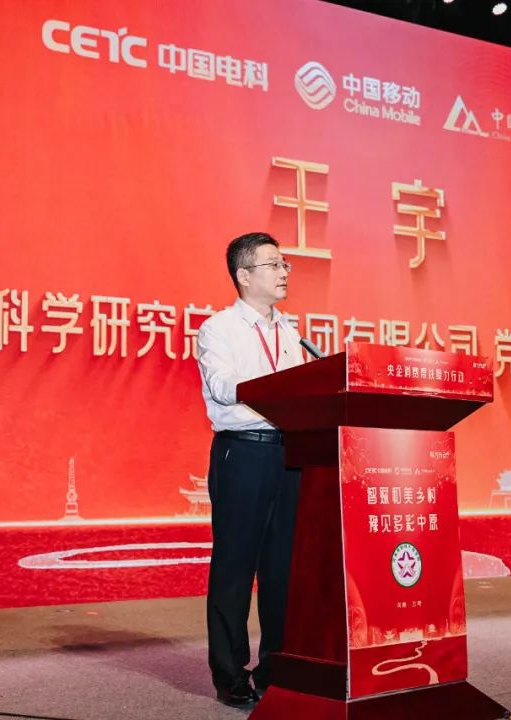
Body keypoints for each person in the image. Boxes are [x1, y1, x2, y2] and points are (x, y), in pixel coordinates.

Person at [196, 232, 304, 706]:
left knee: (282, 570)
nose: (284, 273)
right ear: (244, 275)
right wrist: (281, 388)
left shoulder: (291, 331)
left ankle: (274, 669)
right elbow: (222, 386)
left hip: (291, 454)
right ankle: (231, 676)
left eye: (285, 265)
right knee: (235, 568)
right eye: (274, 264)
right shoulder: (218, 329)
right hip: (242, 453)